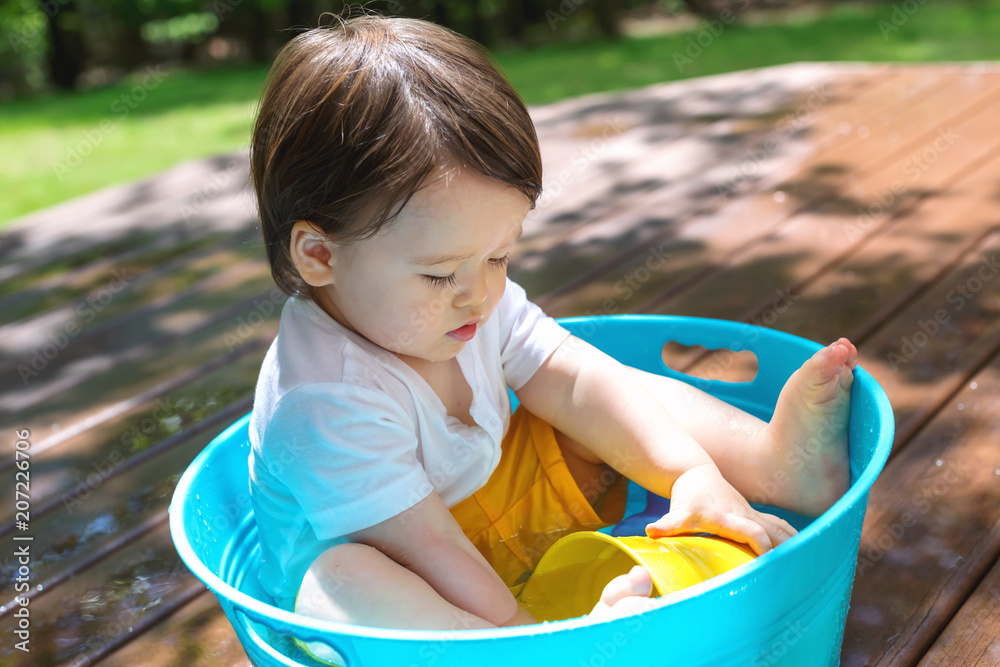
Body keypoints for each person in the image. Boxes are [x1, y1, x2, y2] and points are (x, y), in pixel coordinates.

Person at [247, 12, 857, 633]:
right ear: (320, 256)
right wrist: (535, 629)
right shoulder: (323, 401)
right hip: (407, 567)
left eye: (499, 255)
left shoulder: (465, 292)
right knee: (344, 580)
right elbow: (429, 549)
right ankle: (506, 650)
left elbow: (572, 379)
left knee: (601, 391)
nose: (481, 293)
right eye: (440, 275)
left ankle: (776, 465)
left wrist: (688, 473)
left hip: (481, 505)